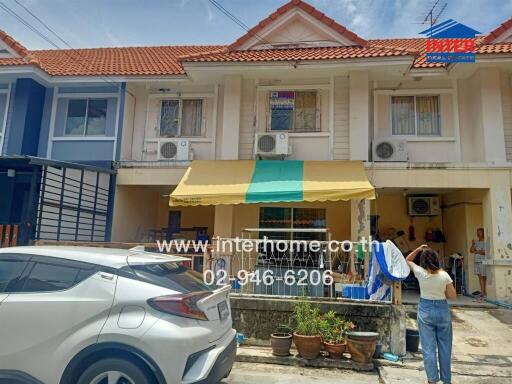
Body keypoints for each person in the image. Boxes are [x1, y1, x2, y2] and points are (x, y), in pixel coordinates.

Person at [406, 244, 457, 384]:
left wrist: (417, 249)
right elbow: (453, 296)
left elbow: (407, 260)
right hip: (442, 309)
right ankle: (446, 380)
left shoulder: (420, 273)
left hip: (425, 308)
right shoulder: (444, 275)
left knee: (428, 347)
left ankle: (432, 380)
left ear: (423, 261)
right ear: (436, 260)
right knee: (445, 347)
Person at [469, 228, 487, 301]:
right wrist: (473, 244)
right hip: (476, 261)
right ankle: (483, 292)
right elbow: (471, 250)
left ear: (483, 233)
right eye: (477, 232)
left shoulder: (485, 242)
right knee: (480, 277)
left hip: (483, 261)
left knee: (483, 276)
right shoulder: (476, 242)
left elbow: (485, 252)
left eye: (480, 232)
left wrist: (477, 251)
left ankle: (483, 292)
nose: (478, 234)